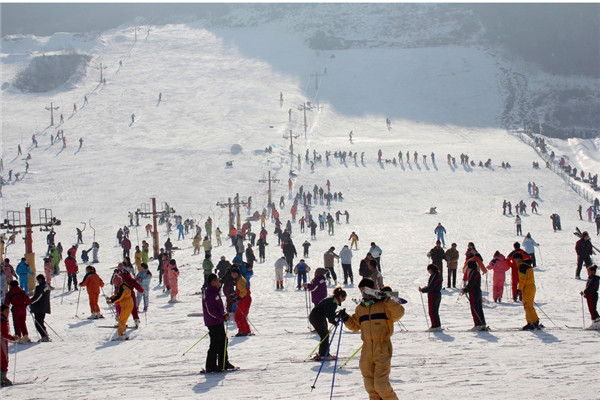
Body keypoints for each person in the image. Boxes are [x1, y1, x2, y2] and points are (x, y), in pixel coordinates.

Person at [340, 278, 404, 399]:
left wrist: (387, 299)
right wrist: (346, 318)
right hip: (367, 350)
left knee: (381, 386)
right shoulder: (360, 308)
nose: (364, 294)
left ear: (373, 290)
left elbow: (399, 313)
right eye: (362, 292)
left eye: (366, 291)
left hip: (382, 348)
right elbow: (355, 325)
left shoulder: (384, 305)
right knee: (371, 388)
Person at [202, 274, 236, 373]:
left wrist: (224, 314)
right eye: (217, 280)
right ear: (212, 282)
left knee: (223, 341)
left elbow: (220, 308)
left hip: (219, 321)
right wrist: (221, 316)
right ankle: (211, 365)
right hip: (213, 322)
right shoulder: (209, 294)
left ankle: (223, 362)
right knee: (215, 343)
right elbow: (210, 311)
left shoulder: (215, 292)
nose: (218, 282)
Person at [308, 286, 347, 361]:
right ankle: (323, 354)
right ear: (340, 296)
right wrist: (334, 321)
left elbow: (329, 313)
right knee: (325, 334)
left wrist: (335, 317)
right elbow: (330, 315)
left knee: (325, 334)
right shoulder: (334, 302)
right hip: (316, 317)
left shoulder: (332, 299)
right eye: (343, 299)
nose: (343, 301)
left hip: (317, 316)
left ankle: (323, 353)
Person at [514, 253, 542, 330]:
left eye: (515, 260)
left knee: (527, 306)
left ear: (518, 258)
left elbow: (522, 280)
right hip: (532, 286)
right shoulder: (527, 265)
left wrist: (519, 289)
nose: (515, 261)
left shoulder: (522, 266)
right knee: (530, 306)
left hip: (527, 288)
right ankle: (535, 320)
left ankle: (531, 323)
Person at [106, 274, 133, 340]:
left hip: (126, 305)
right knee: (123, 320)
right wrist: (111, 298)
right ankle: (123, 333)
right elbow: (118, 295)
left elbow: (120, 297)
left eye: (115, 284)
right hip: (127, 304)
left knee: (122, 321)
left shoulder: (123, 287)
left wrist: (112, 301)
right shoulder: (122, 286)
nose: (115, 285)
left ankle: (122, 335)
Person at [462, 260, 487, 331]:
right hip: (477, 291)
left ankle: (478, 324)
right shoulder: (476, 272)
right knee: (479, 308)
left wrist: (465, 289)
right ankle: (482, 323)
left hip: (474, 292)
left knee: (475, 308)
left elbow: (471, 283)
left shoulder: (473, 272)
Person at [419, 264, 443, 331]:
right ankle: (437, 325)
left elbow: (431, 287)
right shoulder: (438, 275)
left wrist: (422, 290)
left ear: (431, 270)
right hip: (437, 294)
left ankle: (435, 326)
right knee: (435, 310)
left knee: (432, 311)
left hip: (433, 294)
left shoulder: (434, 276)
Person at [230, 267, 252, 336]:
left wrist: (237, 298)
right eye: (232, 274)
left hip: (244, 299)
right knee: (240, 316)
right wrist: (235, 294)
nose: (233, 275)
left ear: (237, 273)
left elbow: (243, 292)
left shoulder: (240, 281)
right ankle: (245, 330)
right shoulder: (239, 279)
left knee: (239, 316)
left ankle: (243, 331)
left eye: (234, 273)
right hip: (244, 299)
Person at [29, 274, 51, 342]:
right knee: (40, 322)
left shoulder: (42, 287)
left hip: (40, 307)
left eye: (38, 280)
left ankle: (44, 336)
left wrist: (30, 301)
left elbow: (38, 297)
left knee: (38, 323)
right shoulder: (46, 286)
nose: (38, 281)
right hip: (42, 307)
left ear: (40, 279)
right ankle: (45, 335)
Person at [1, 304, 15, 386]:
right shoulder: (2, 320)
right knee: (4, 359)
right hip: (1, 342)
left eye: (8, 311)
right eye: (6, 311)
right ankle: (3, 377)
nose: (8, 313)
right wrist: (12, 338)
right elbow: (3, 334)